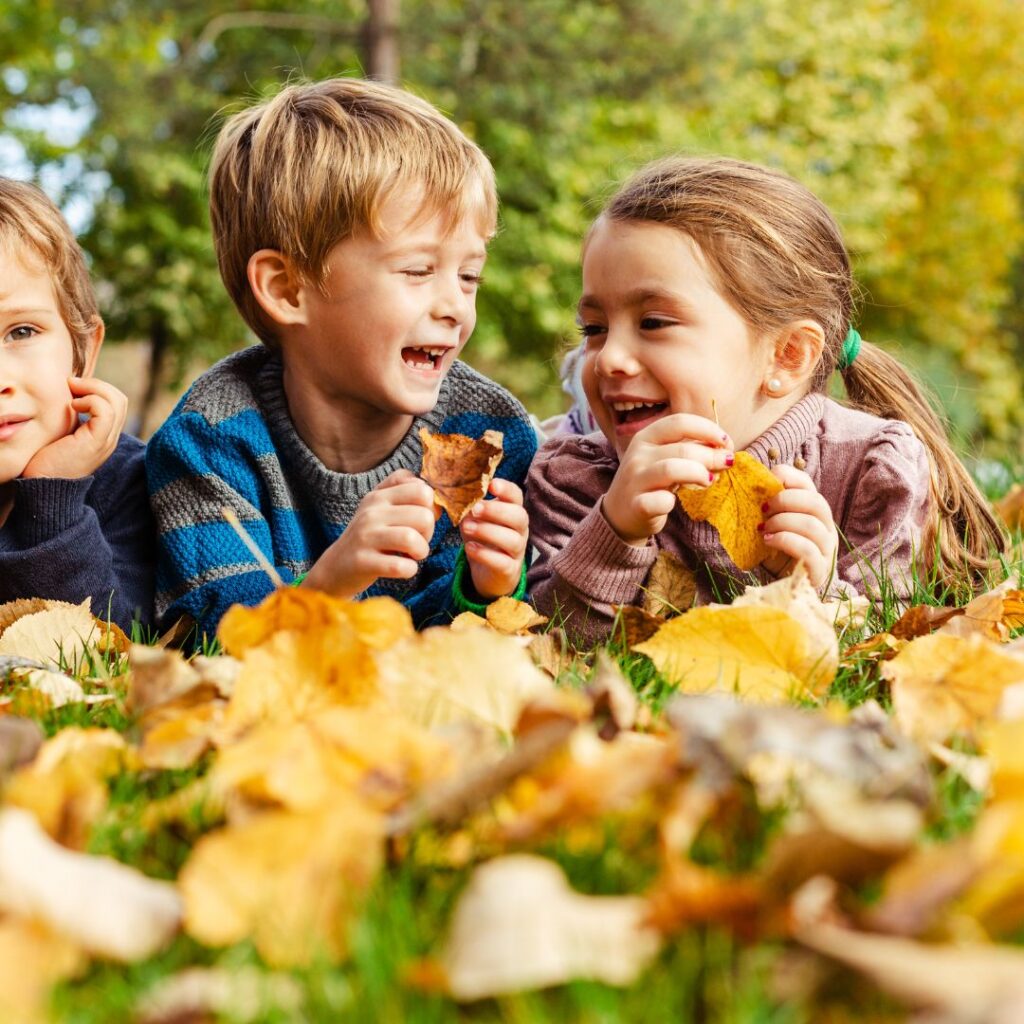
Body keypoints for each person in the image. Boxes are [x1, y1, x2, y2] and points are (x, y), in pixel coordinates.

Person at [527, 156, 1007, 647]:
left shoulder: (870, 470)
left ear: (787, 356)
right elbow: (556, 647)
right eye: (595, 328)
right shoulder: (575, 479)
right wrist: (615, 533)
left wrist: (819, 594)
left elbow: (891, 655)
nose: (609, 359)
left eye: (653, 323)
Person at [146, 77, 536, 640]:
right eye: (418, 270)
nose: (455, 306)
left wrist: (486, 588)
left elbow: (453, 646)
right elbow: (212, 641)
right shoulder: (208, 444)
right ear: (287, 290)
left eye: (469, 275)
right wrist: (333, 582)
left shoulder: (491, 437)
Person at [0, 178, 154, 629]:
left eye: (21, 332)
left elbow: (110, 651)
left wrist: (53, 495)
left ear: (83, 351)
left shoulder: (130, 483)